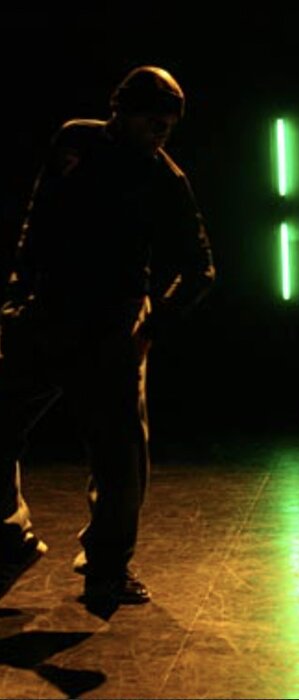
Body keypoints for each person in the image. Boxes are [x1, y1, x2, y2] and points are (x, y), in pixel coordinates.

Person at [0, 65, 215, 606]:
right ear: (121, 110)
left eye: (169, 125)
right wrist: (17, 296)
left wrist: (151, 326)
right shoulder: (75, 140)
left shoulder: (165, 179)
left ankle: (107, 568)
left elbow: (199, 268)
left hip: (113, 327)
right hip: (48, 314)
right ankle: (8, 540)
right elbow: (37, 220)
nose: (161, 132)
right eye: (153, 120)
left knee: (120, 461)